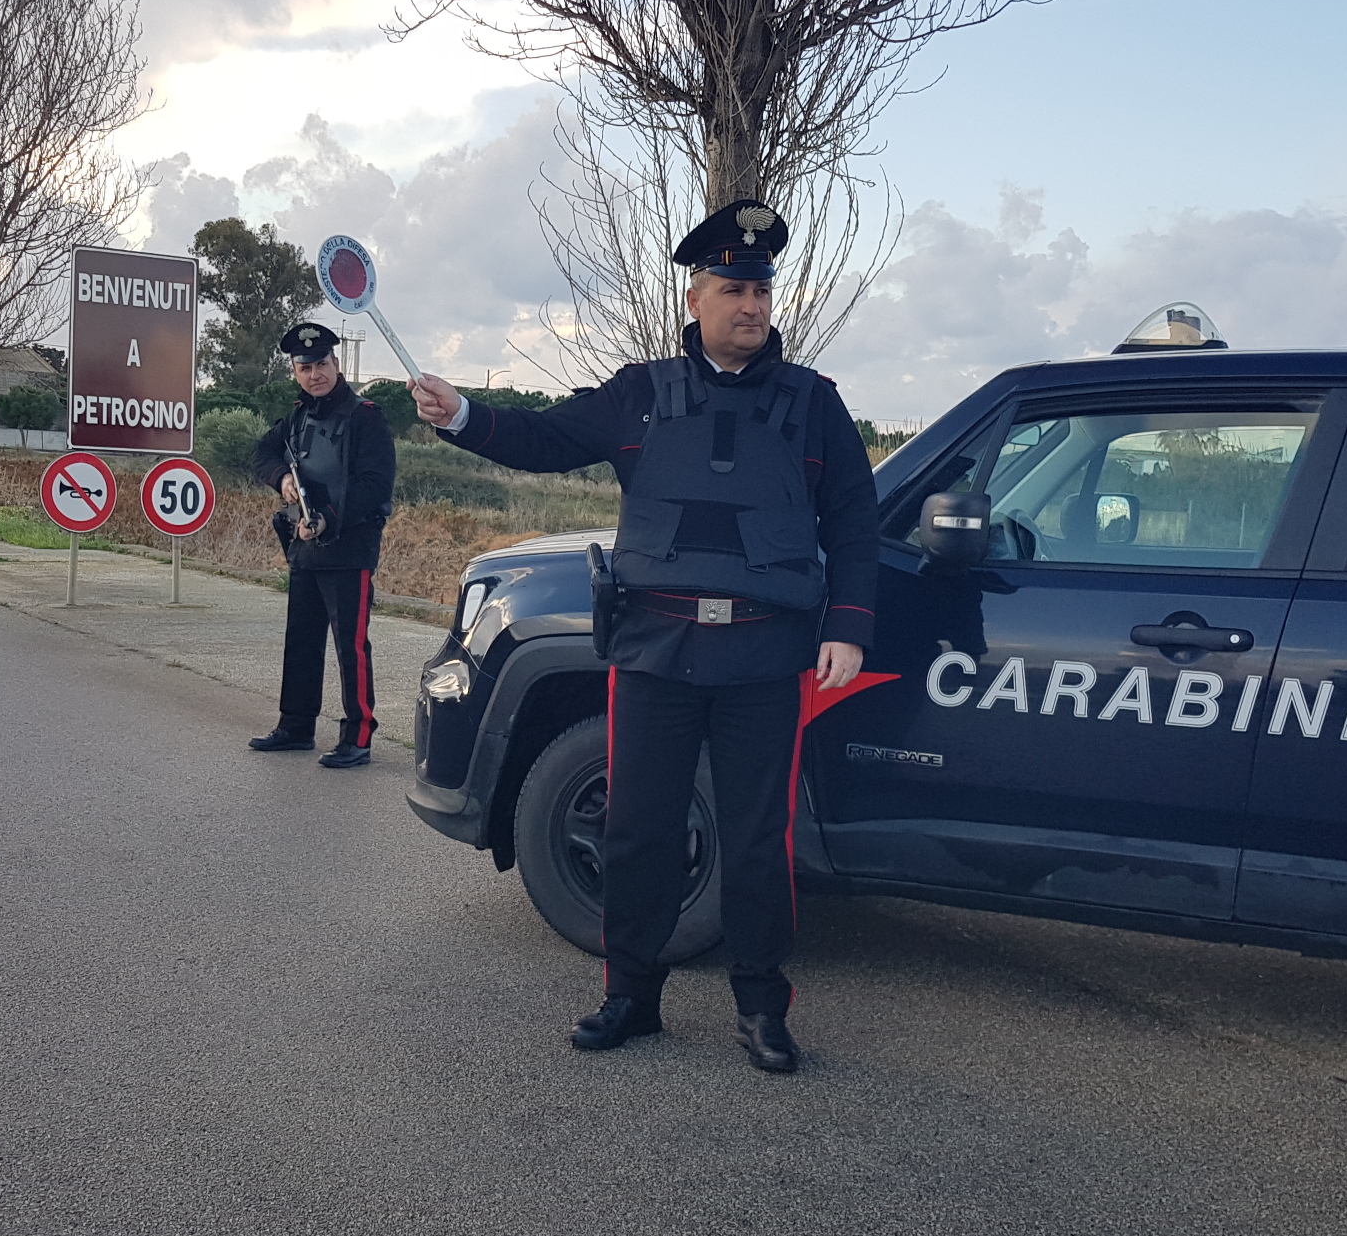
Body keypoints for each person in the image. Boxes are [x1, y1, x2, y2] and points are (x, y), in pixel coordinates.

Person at [408, 200, 880, 1073]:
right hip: (656, 653)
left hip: (764, 658)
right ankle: (630, 994)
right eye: (733, 289)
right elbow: (544, 437)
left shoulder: (815, 405)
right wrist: (463, 416)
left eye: (762, 291)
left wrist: (849, 626)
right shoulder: (639, 394)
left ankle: (762, 1007)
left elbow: (855, 519)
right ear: (694, 299)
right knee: (638, 828)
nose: (753, 306)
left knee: (754, 837)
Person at [248, 322, 397, 768]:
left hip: (350, 547)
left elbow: (375, 487)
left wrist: (328, 518)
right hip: (305, 545)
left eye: (323, 364)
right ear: (295, 372)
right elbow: (261, 455)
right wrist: (283, 479)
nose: (316, 374)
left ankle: (359, 735)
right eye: (305, 367)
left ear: (338, 364)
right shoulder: (296, 416)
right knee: (302, 640)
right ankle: (296, 725)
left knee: (350, 646)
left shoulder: (366, 416)